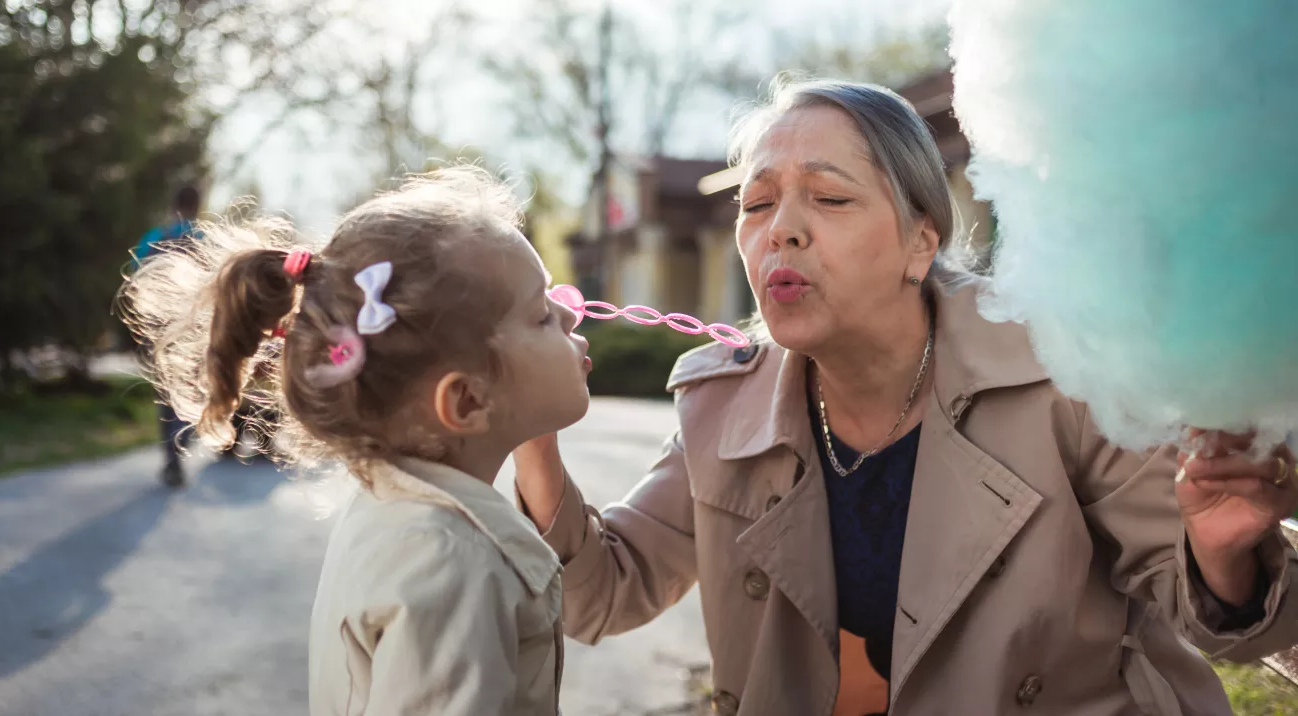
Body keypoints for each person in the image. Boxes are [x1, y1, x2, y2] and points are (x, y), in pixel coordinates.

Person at [512, 77, 1298, 715]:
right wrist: (534, 436)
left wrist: (1225, 552)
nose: (780, 229)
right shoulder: (721, 406)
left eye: (829, 197)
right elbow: (600, 597)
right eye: (756, 204)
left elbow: (1235, 629)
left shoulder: (1063, 377)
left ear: (922, 239)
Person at [122, 168, 591, 715]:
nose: (568, 309)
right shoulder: (456, 569)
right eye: (540, 313)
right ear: (466, 402)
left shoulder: (402, 514)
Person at [133, 185, 203, 487]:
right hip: (193, 331)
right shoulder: (204, 239)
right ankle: (186, 438)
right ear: (197, 207)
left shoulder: (155, 237)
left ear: (173, 205)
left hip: (159, 328)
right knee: (194, 388)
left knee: (165, 397)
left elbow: (133, 274)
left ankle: (172, 459)